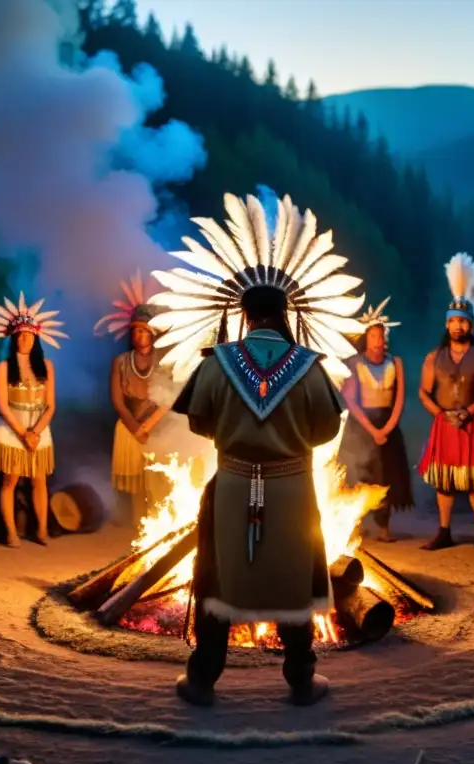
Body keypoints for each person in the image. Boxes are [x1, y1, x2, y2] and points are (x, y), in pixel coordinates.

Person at [148, 192, 366, 707]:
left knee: (218, 580)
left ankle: (203, 679)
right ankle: (300, 680)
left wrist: (239, 436)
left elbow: (200, 422)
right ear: (284, 315)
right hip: (292, 491)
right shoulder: (310, 365)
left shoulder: (218, 362)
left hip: (231, 486)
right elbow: (321, 432)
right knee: (294, 583)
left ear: (244, 316)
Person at [418, 253, 474, 551]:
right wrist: (440, 414)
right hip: (444, 425)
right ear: (447, 324)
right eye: (452, 322)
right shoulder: (433, 358)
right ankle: (443, 531)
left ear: (471, 326)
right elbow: (423, 393)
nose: (457, 327)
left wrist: (470, 411)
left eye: (462, 322)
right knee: (445, 482)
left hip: (473, 423)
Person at [0, 292, 67, 547]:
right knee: (10, 481)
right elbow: (2, 405)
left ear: (36, 337)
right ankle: (11, 533)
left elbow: (51, 405)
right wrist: (22, 432)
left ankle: (41, 530)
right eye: (21, 335)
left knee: (39, 480)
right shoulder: (4, 368)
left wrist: (35, 431)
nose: (25, 339)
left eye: (29, 335)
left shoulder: (46, 366)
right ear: (14, 338)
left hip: (39, 428)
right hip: (11, 429)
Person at [95, 272, 176, 527]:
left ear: (153, 333)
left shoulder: (164, 361)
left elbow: (170, 398)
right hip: (129, 429)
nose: (139, 336)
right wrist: (134, 428)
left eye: (144, 331)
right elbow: (117, 401)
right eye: (135, 331)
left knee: (159, 481)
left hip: (158, 428)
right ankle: (138, 528)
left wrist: (148, 427)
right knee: (136, 487)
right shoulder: (120, 362)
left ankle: (160, 523)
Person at [338, 298, 413, 542]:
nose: (379, 341)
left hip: (387, 423)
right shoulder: (355, 362)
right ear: (366, 338)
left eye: (382, 336)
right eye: (374, 336)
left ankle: (383, 527)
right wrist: (371, 430)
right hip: (362, 424)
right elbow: (350, 399)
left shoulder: (396, 362)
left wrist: (388, 428)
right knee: (358, 473)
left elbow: (399, 397)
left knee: (386, 477)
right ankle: (353, 525)